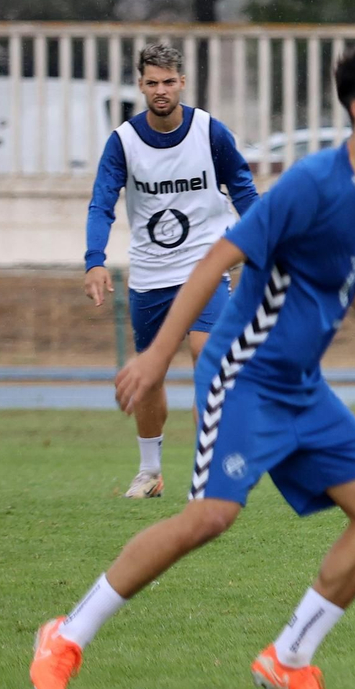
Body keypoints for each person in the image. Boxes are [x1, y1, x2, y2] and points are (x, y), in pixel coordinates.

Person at [30, 44, 355, 689]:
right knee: (210, 516)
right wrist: (155, 356)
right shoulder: (311, 184)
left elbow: (354, 273)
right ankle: (66, 636)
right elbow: (214, 261)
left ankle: (288, 660)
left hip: (302, 386)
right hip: (244, 375)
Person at [84, 44, 259, 499]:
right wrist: (95, 260)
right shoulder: (123, 141)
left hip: (205, 267)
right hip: (150, 275)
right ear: (140, 85)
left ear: (182, 82)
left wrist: (264, 240)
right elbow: (102, 203)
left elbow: (243, 189)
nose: (160, 90)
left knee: (209, 359)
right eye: (152, 83)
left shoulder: (209, 132)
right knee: (149, 377)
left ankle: (209, 470)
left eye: (168, 82)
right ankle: (150, 472)